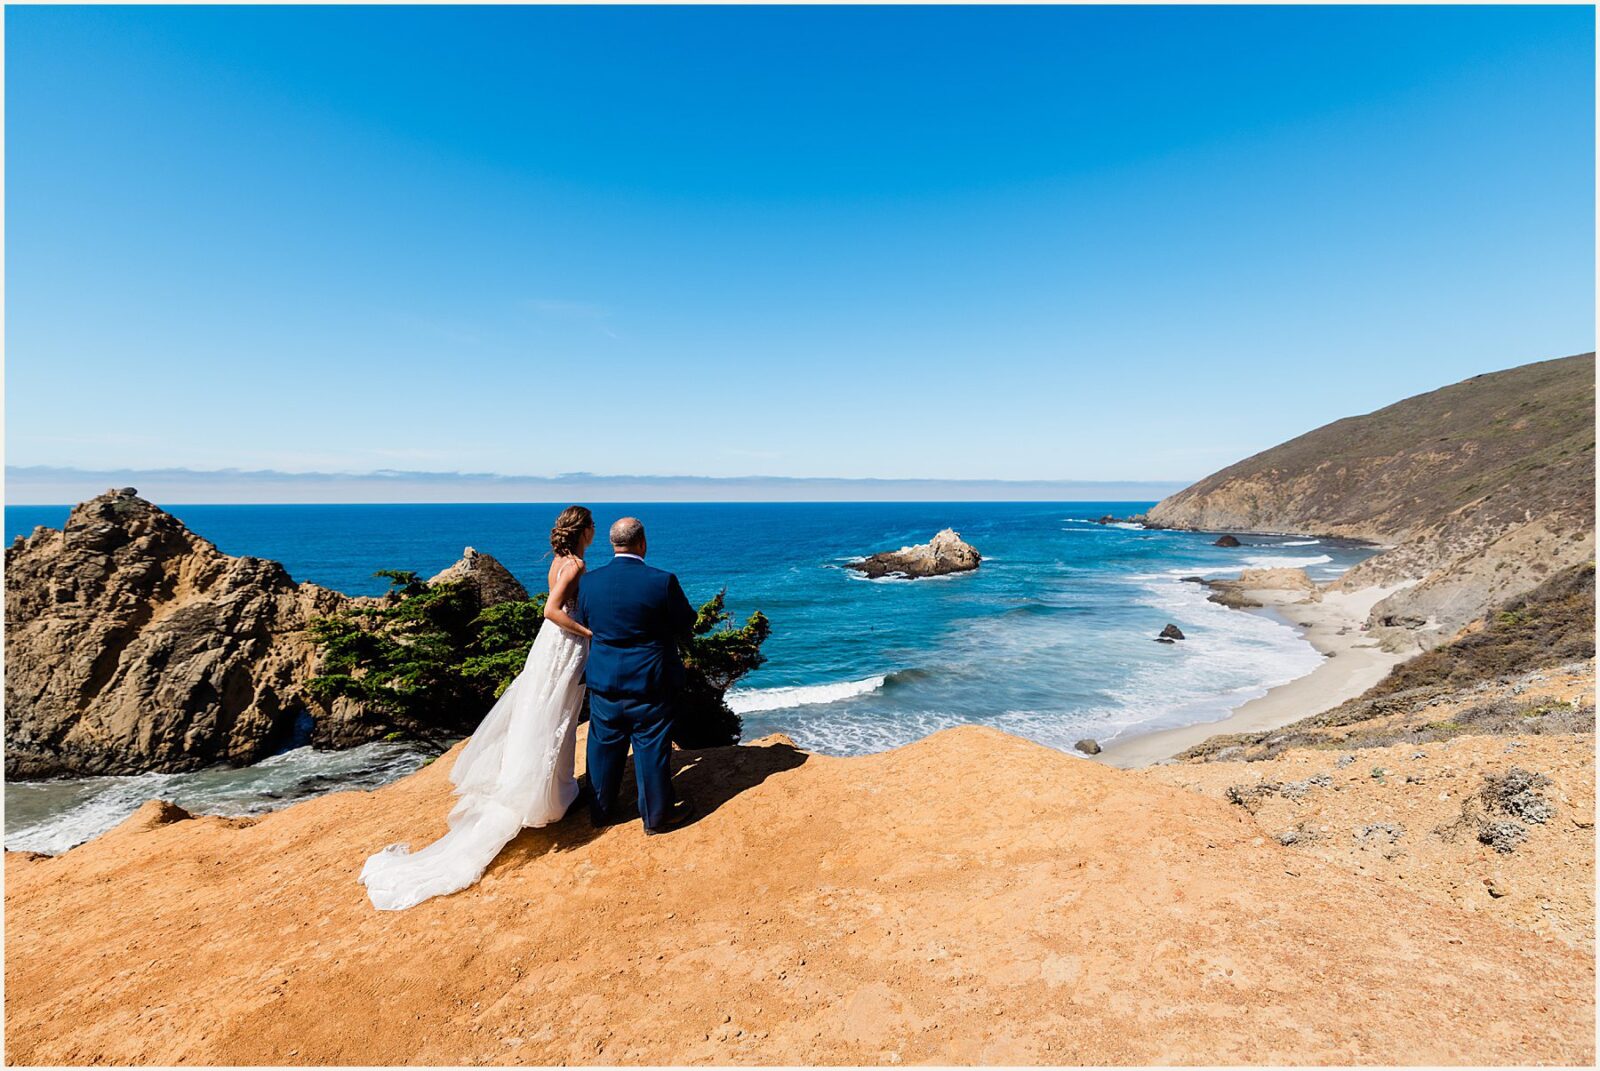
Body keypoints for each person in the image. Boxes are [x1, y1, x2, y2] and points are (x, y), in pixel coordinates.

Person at [359, 506, 595, 911]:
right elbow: (552, 610)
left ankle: (548, 789)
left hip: (548, 646)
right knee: (555, 717)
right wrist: (589, 631)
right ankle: (550, 795)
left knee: (545, 716)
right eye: (592, 525)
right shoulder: (574, 564)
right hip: (562, 644)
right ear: (584, 530)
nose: (594, 531)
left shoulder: (559, 560)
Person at [576, 516, 698, 834]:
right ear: (642, 543)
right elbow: (686, 621)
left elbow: (585, 620)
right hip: (650, 681)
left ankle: (601, 812)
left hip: (604, 680)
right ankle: (657, 817)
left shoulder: (589, 582)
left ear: (612, 544)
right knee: (650, 747)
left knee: (603, 745)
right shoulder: (662, 581)